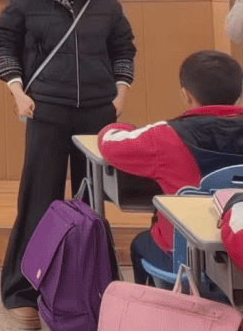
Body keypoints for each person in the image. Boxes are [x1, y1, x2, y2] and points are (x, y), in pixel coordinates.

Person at [0, 0, 136, 330]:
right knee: (39, 199)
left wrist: (120, 93)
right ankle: (23, 290)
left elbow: (124, 49)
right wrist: (16, 89)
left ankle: (90, 288)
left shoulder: (105, 2)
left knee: (92, 205)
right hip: (47, 111)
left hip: (97, 113)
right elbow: (2, 42)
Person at [99, 50, 243, 283]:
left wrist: (123, 127)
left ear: (186, 94)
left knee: (140, 244)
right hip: (238, 253)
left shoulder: (165, 136)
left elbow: (108, 143)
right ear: (238, 95)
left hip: (183, 257)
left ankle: (163, 304)